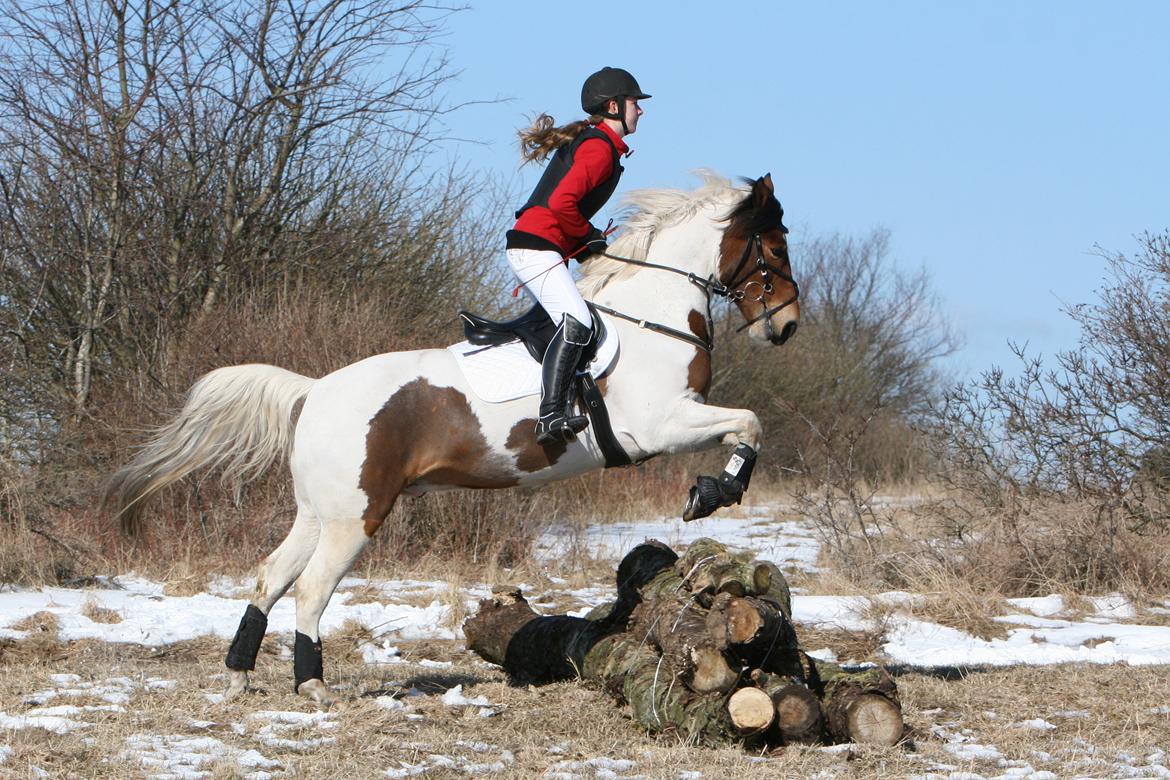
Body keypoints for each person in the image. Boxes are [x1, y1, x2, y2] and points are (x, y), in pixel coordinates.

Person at [507, 67, 650, 445]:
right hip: (536, 246)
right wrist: (588, 237)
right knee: (578, 322)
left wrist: (588, 243)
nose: (641, 110)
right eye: (635, 102)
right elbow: (562, 204)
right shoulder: (598, 148)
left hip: (542, 246)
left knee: (579, 318)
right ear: (614, 106)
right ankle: (550, 414)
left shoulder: (600, 144)